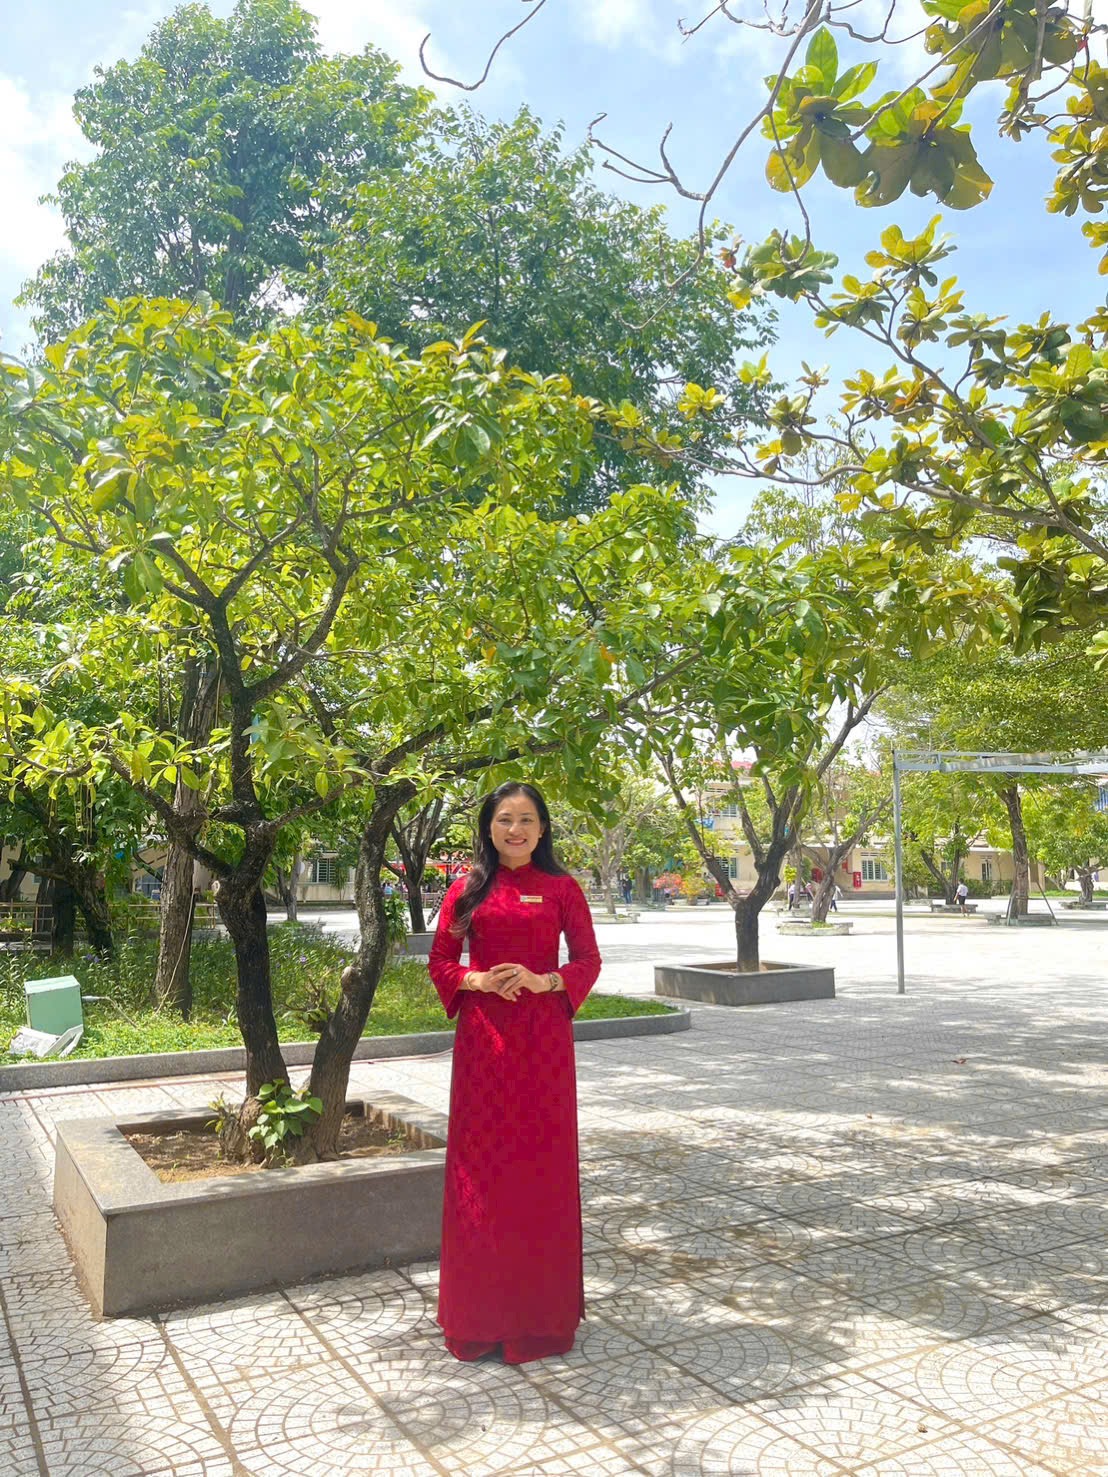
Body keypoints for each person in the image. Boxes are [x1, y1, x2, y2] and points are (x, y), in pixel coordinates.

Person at [428, 781, 601, 1365]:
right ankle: (477, 1320)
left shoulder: (562, 888)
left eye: (527, 819)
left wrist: (545, 980)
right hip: (484, 1042)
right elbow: (441, 961)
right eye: (504, 818)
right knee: (481, 1171)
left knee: (540, 1167)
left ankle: (540, 1321)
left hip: (544, 1043)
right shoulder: (466, 889)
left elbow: (588, 959)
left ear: (542, 828)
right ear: (489, 827)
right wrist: (475, 979)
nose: (516, 829)